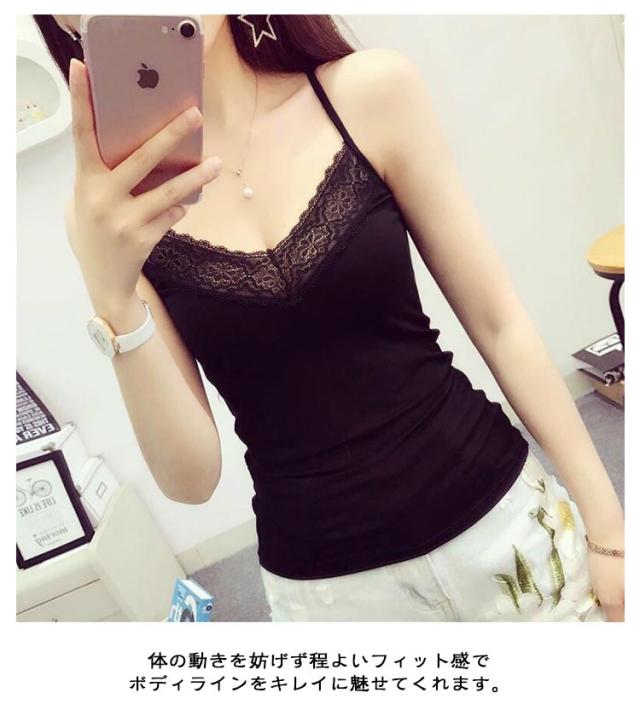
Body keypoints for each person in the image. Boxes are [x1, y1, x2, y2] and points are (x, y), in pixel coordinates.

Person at [37, 14, 623, 621]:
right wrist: (113, 300)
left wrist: (609, 529)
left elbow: (499, 323)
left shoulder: (369, 93)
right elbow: (192, 481)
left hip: (504, 531)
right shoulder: (108, 218)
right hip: (330, 598)